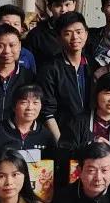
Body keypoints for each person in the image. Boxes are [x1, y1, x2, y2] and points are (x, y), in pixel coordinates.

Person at [37, 11, 96, 144]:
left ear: (86, 34)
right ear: (59, 38)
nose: (75, 37)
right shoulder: (50, 68)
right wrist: (61, 143)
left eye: (79, 32)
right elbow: (47, 112)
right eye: (68, 33)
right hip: (62, 135)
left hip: (90, 136)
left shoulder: (93, 65)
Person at [59, 72, 110, 161]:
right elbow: (62, 153)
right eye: (108, 93)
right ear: (97, 94)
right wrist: (90, 145)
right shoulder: (78, 121)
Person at [0, 84, 55, 167]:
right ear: (14, 106)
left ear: (41, 106)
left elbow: (51, 167)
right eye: (24, 102)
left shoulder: (46, 136)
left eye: (35, 103)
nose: (30, 107)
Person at [26, 0, 77, 69]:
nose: (63, 10)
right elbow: (28, 65)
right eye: (58, 5)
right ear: (49, 7)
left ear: (74, 4)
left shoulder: (82, 32)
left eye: (67, 4)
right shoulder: (36, 34)